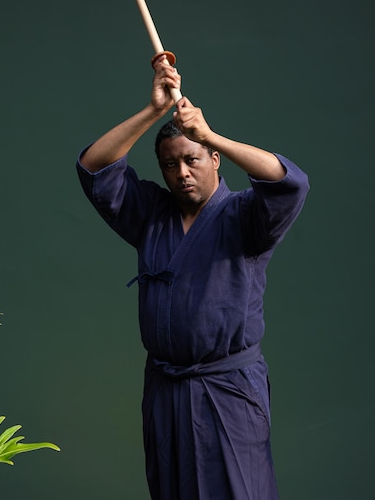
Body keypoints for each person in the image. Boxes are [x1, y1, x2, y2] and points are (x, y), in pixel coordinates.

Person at [76, 55, 309, 500]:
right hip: (165, 391)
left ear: (215, 159)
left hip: (228, 392)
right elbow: (94, 166)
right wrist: (153, 111)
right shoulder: (149, 214)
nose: (181, 172)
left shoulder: (245, 216)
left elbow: (288, 182)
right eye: (169, 164)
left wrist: (208, 132)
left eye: (192, 158)